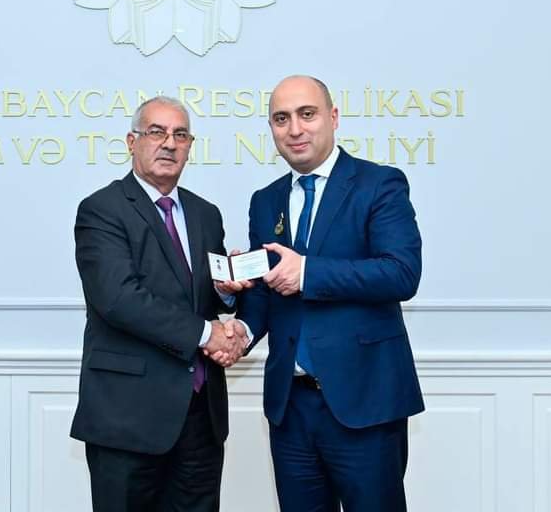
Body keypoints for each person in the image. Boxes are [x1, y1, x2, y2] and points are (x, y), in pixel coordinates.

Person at [214, 75, 424, 512]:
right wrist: (239, 321)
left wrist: (308, 272)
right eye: (281, 119)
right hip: (290, 408)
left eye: (306, 114)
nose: (295, 129)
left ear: (333, 117)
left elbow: (401, 273)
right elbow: (267, 295)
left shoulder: (379, 184)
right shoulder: (265, 200)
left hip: (365, 402)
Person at [71, 96, 247, 512]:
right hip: (128, 418)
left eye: (180, 135)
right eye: (157, 132)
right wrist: (207, 334)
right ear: (132, 141)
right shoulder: (101, 210)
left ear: (190, 146)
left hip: (200, 417)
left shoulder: (206, 214)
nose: (169, 143)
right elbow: (119, 298)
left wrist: (226, 291)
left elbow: (199, 297)